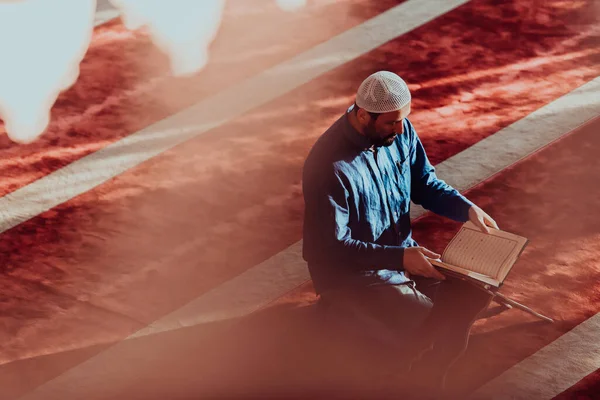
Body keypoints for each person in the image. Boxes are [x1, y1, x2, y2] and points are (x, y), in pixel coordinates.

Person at [301, 71, 498, 395]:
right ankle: (401, 375)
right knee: (432, 319)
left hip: (401, 254)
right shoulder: (328, 167)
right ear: (363, 115)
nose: (402, 129)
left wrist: (467, 210)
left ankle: (428, 371)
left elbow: (424, 184)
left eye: (403, 120)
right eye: (392, 123)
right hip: (353, 274)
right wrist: (400, 258)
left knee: (475, 290)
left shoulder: (398, 132)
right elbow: (333, 247)